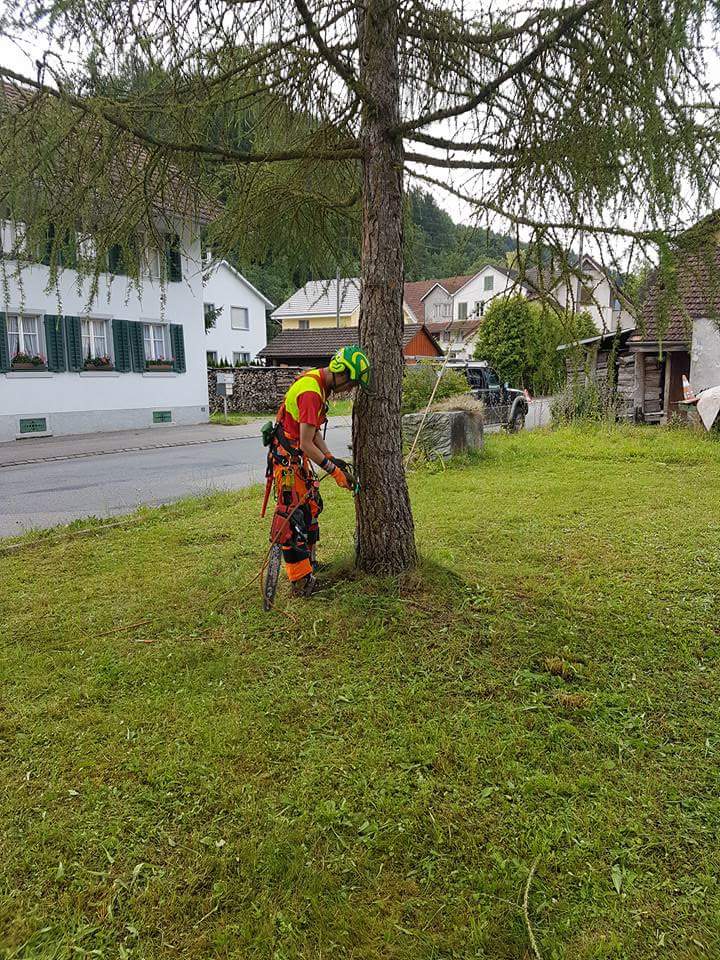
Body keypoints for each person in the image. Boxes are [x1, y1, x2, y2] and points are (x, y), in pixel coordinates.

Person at [263, 345, 371, 596]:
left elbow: (312, 434)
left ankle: (310, 565)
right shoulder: (312, 393)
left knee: (311, 507)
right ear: (341, 372)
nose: (350, 390)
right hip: (288, 460)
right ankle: (301, 582)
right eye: (351, 383)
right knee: (293, 519)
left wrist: (331, 458)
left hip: (296, 458)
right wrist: (334, 472)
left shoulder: (319, 385)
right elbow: (306, 443)